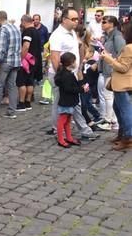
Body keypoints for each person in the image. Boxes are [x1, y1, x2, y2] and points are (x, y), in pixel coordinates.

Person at [46, 8, 98, 141]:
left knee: (73, 103)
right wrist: (62, 77)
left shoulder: (72, 33)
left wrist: (79, 68)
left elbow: (78, 48)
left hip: (72, 74)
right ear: (64, 19)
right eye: (73, 19)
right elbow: (55, 57)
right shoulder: (57, 35)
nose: (76, 22)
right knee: (63, 103)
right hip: (62, 76)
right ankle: (63, 130)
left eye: (77, 19)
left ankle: (74, 130)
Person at [101, 23, 132, 151]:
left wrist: (109, 59)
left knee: (124, 111)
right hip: (124, 83)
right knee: (118, 108)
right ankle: (122, 134)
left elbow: (123, 68)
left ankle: (128, 137)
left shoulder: (129, 48)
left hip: (123, 84)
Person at [97, 15, 125, 131]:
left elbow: (122, 52)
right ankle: (111, 120)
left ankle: (109, 120)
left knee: (109, 96)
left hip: (112, 70)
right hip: (107, 69)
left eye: (104, 22)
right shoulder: (108, 36)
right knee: (108, 96)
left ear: (112, 24)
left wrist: (112, 60)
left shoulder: (117, 36)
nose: (102, 23)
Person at [54, 52, 82, 148]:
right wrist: (81, 89)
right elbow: (69, 88)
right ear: (70, 63)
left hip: (69, 100)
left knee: (68, 120)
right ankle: (61, 139)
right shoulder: (66, 75)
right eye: (74, 61)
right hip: (66, 101)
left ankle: (69, 137)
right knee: (63, 120)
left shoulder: (67, 73)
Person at [16, 15, 42, 111]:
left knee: (21, 81)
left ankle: (21, 103)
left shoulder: (27, 31)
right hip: (35, 60)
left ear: (24, 21)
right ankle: (28, 102)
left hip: (26, 60)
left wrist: (21, 58)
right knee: (30, 82)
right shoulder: (36, 31)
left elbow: (26, 46)